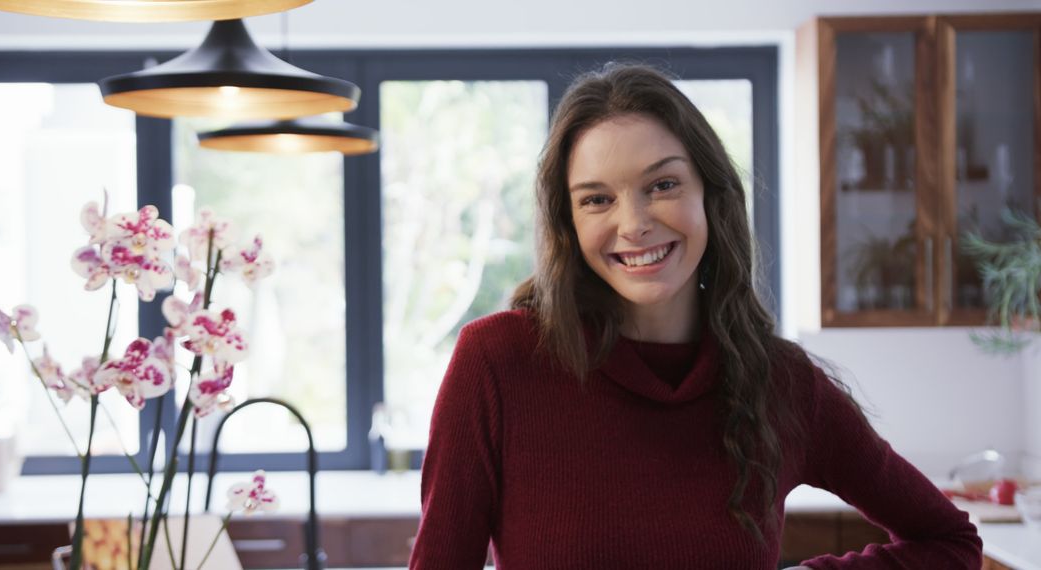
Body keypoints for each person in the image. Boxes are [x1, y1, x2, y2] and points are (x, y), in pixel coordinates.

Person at [408, 63, 982, 569]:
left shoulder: (781, 383)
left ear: (710, 195)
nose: (633, 223)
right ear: (570, 224)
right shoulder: (499, 363)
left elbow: (948, 541)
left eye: (662, 185)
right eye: (597, 199)